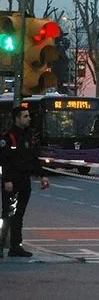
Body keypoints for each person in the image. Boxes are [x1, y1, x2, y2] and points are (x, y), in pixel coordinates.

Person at [0, 106, 50, 258]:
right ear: (17, 118)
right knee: (8, 214)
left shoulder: (29, 136)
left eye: (28, 116)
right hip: (12, 182)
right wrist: (7, 180)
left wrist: (43, 175)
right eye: (26, 116)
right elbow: (3, 160)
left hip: (24, 181)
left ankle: (16, 246)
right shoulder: (8, 138)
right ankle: (1, 245)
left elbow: (33, 159)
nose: (29, 118)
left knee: (19, 215)